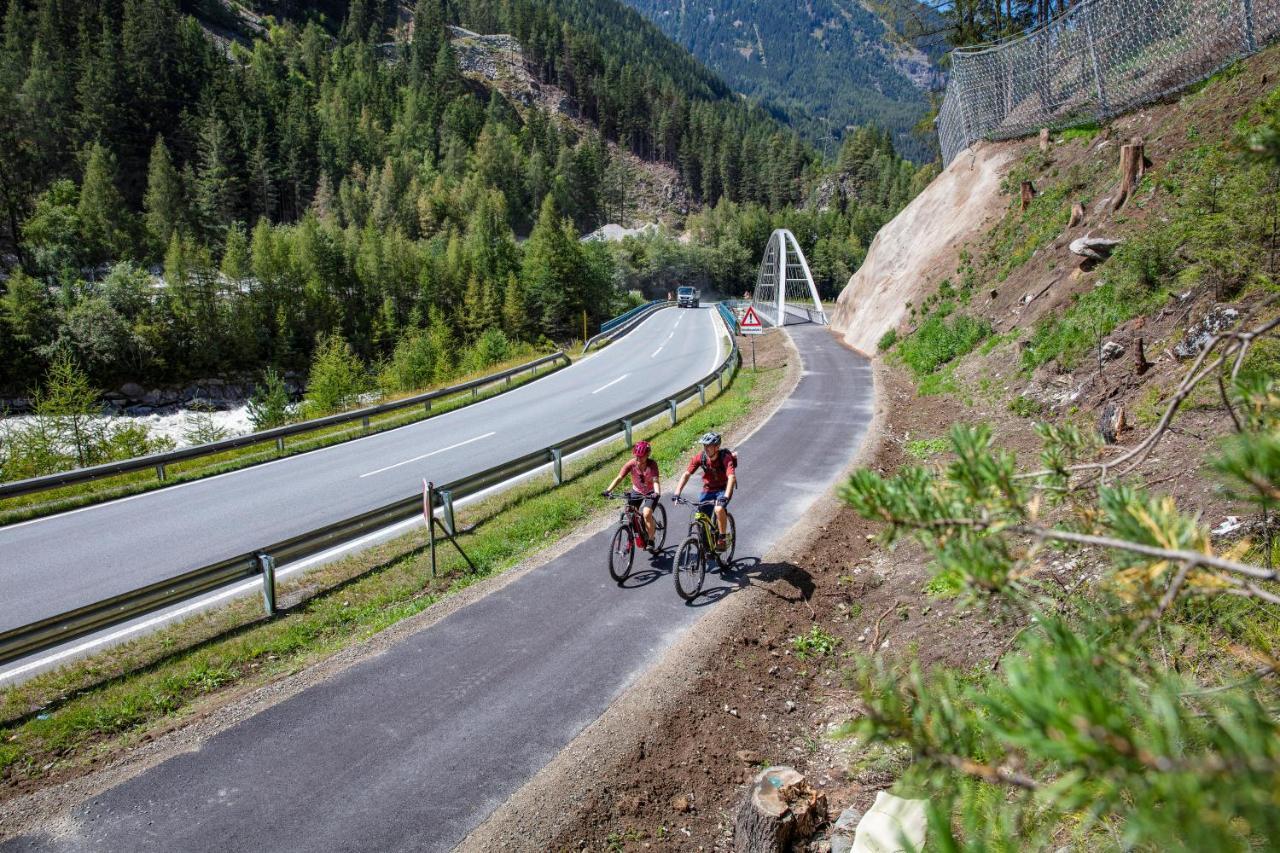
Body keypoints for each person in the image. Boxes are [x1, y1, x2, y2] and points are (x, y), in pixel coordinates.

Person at [672, 432, 736, 550]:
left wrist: (725, 497)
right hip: (708, 489)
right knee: (700, 517)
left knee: (719, 508)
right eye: (704, 446)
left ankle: (722, 538)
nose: (705, 448)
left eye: (709, 446)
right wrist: (677, 493)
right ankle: (707, 546)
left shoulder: (725, 458)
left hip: (723, 489)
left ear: (716, 447)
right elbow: (686, 474)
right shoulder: (701, 457)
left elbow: (731, 477)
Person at [604, 441, 662, 549]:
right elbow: (619, 477)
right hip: (637, 491)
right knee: (630, 512)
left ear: (647, 455)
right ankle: (639, 532)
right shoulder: (631, 464)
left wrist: (657, 492)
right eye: (637, 456)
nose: (638, 459)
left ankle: (651, 539)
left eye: (641, 456)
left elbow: (655, 480)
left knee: (646, 513)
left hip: (651, 492)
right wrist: (608, 490)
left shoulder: (652, 464)